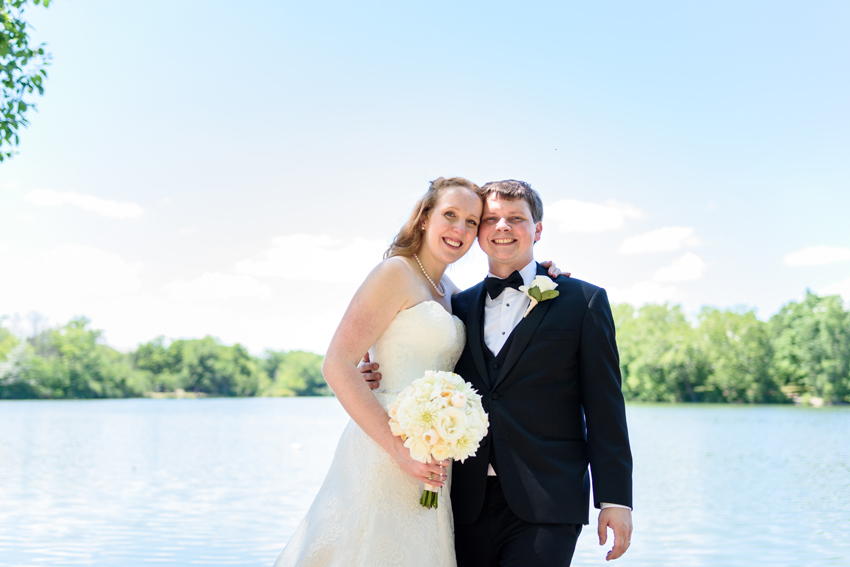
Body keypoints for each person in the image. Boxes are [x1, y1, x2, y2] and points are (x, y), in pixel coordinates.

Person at [274, 177, 562, 567]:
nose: (459, 229)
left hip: (434, 459)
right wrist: (398, 449)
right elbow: (337, 364)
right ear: (425, 218)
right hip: (384, 451)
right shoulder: (394, 272)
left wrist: (541, 273)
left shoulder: (453, 291)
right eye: (450, 215)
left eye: (472, 222)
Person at [363, 180, 634, 566]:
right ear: (478, 234)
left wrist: (615, 500)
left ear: (537, 230)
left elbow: (605, 407)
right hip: (462, 503)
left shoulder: (584, 301)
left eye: (516, 219)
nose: (503, 227)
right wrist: (372, 367)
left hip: (549, 502)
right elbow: (422, 354)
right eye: (491, 219)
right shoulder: (457, 304)